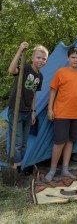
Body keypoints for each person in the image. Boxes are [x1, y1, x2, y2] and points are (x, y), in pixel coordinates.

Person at [45, 47, 77, 182]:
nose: (75, 60)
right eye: (73, 57)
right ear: (68, 58)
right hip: (61, 113)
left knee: (70, 141)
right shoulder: (61, 72)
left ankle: (65, 169)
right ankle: (52, 170)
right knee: (59, 142)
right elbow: (53, 91)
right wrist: (50, 109)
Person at [8, 42, 48, 172]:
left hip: (27, 111)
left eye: (44, 58)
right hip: (16, 110)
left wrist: (33, 111)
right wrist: (20, 50)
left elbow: (34, 94)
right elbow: (11, 70)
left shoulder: (40, 76)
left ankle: (19, 165)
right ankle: (14, 167)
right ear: (32, 58)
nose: (41, 60)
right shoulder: (25, 68)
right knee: (18, 141)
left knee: (24, 142)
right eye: (38, 57)